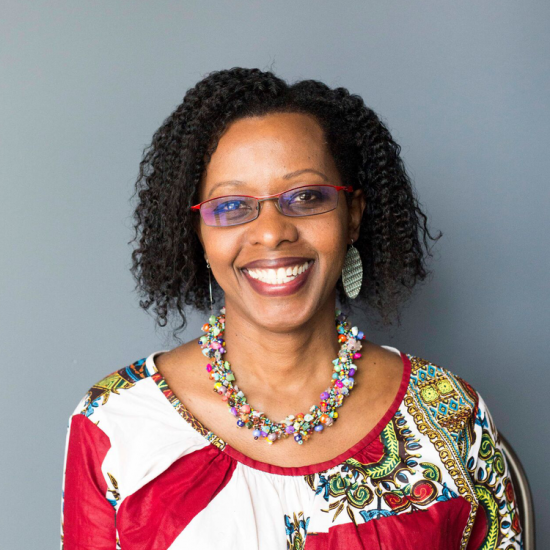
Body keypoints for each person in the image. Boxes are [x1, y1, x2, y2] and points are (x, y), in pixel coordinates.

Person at [59, 67, 522, 549]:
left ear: (353, 216)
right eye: (232, 205)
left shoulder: (447, 412)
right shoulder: (117, 421)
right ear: (197, 235)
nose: (272, 231)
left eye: (306, 197)